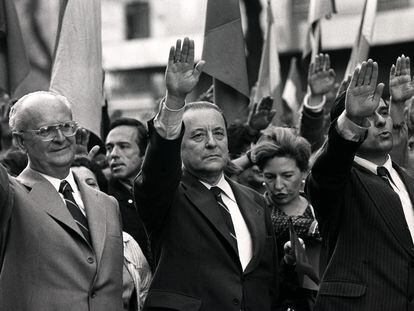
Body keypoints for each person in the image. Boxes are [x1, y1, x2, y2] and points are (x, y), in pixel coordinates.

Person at [134, 38, 278, 311]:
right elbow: (158, 168)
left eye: (219, 133)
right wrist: (175, 100)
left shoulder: (255, 201)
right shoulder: (167, 196)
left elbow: (267, 279)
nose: (212, 143)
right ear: (179, 144)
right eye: (198, 135)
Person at [306, 57, 414, 310]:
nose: (379, 121)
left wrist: (399, 104)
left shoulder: (407, 180)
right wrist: (352, 119)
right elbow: (330, 165)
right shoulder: (338, 182)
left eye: (384, 112)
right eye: (367, 115)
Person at [0, 91, 123, 311]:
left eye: (66, 126)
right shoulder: (11, 195)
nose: (60, 138)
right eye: (45, 131)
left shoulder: (107, 203)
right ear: (20, 141)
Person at [251, 127, 321, 311]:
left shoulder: (318, 208)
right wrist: (312, 227)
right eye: (270, 177)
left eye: (287, 176)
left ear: (304, 172)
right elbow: (274, 223)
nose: (279, 185)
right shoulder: (255, 210)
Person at [71, 156, 152, 311]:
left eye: (90, 183)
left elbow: (145, 293)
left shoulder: (126, 242)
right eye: (74, 185)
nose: (84, 191)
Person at [105, 118, 151, 264]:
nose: (113, 154)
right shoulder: (102, 197)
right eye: (109, 148)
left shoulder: (164, 190)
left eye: (123, 146)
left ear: (144, 153)